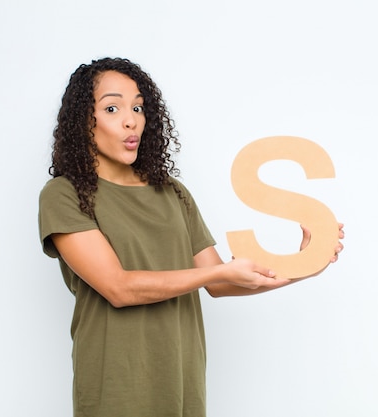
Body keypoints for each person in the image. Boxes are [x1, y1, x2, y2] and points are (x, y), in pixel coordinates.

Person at [38, 57, 344, 417]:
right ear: (82, 122)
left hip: (182, 381)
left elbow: (223, 282)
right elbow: (118, 288)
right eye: (112, 107)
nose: (130, 119)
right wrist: (216, 274)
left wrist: (305, 262)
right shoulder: (64, 194)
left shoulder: (172, 192)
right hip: (116, 385)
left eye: (138, 106)